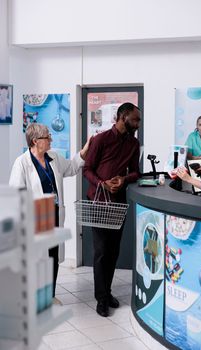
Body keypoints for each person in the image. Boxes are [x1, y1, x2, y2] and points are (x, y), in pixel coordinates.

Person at [9, 123, 90, 299]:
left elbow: (72, 167)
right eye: (47, 137)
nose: (51, 139)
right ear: (36, 141)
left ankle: (49, 297)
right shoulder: (21, 163)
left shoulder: (53, 157)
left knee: (53, 257)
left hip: (54, 214)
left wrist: (84, 151)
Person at [83, 102, 141, 317]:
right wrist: (101, 183)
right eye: (135, 119)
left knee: (113, 251)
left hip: (117, 202)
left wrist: (124, 179)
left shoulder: (134, 144)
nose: (138, 124)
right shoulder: (101, 140)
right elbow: (87, 169)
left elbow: (136, 172)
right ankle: (101, 299)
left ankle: (107, 292)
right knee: (101, 252)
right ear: (123, 116)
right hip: (98, 201)